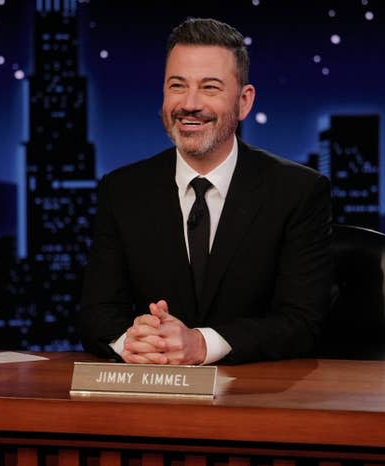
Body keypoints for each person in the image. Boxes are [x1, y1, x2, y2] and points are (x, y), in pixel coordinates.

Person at [79, 17, 333, 365]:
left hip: (256, 400)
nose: (190, 104)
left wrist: (201, 344)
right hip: (152, 396)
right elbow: (96, 315)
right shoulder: (122, 190)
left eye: (210, 88)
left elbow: (302, 324)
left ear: (244, 101)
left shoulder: (298, 191)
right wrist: (133, 343)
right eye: (177, 86)